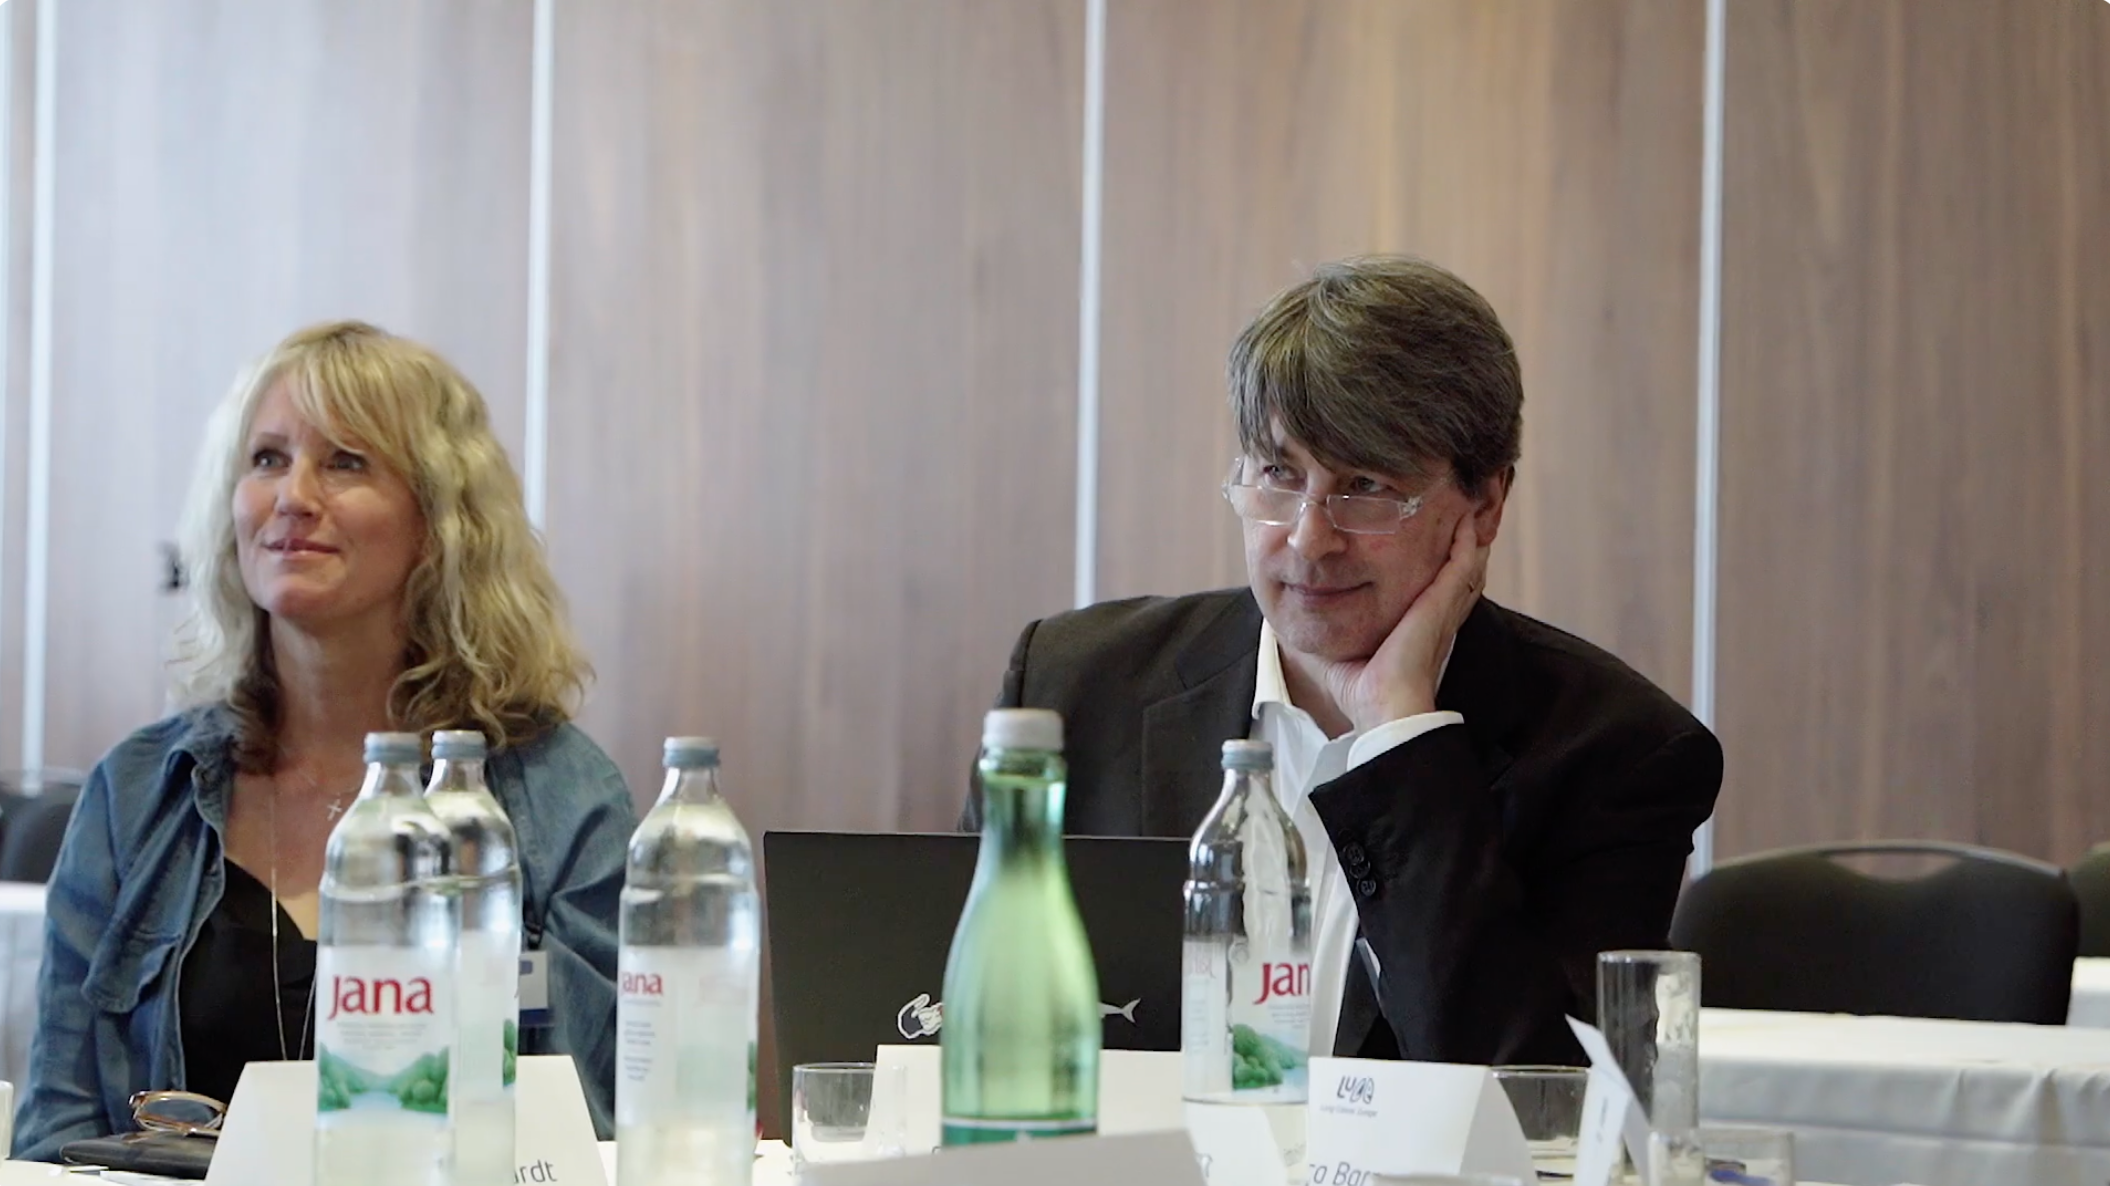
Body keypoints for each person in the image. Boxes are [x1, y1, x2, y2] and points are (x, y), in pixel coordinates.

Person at [965, 256, 1723, 1066]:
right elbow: (953, 1022)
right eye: (1278, 474)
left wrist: (1402, 737)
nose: (1308, 537)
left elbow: (1538, 1094)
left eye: (1366, 486)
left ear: (1485, 504)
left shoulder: (1618, 757)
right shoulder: (1077, 687)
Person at [14, 322, 637, 1159]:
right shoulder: (138, 791)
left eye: (345, 462)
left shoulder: (561, 797)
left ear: (439, 522)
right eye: (268, 459)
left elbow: (599, 1134)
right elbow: (59, 1134)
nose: (293, 496)